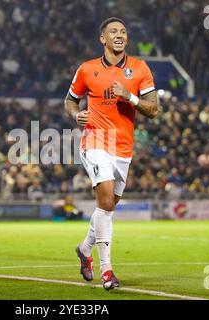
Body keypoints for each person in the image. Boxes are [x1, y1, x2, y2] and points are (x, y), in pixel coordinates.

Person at [64, 17, 160, 290]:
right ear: (102, 39)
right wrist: (76, 115)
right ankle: (107, 271)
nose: (119, 35)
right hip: (95, 140)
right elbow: (70, 99)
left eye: (123, 31)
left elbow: (153, 110)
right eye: (113, 32)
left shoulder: (140, 69)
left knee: (108, 206)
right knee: (105, 199)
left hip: (123, 147)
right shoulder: (87, 69)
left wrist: (128, 97)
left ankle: (84, 250)